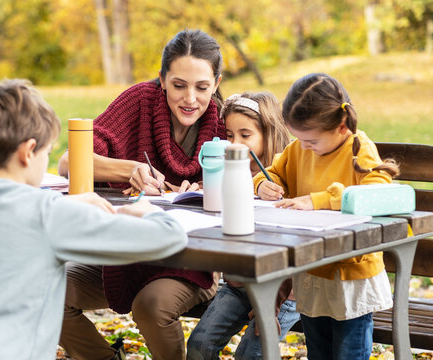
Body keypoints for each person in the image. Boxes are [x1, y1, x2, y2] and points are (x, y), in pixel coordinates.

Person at [0, 79, 189, 360]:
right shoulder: (47, 215)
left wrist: (63, 204)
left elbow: (6, 216)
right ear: (27, 152)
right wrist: (148, 211)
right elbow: (169, 238)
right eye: (46, 153)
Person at [58, 29, 225, 360]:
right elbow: (69, 162)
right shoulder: (139, 101)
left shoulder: (222, 122)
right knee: (46, 286)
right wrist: (128, 169)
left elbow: (253, 179)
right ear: (162, 79)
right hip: (124, 254)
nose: (190, 98)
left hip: (194, 262)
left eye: (202, 87)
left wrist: (207, 190)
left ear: (216, 84)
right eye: (179, 85)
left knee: (151, 306)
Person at [254, 73, 399, 360]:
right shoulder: (299, 148)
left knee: (348, 353)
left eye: (311, 140)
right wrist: (263, 185)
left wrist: (317, 200)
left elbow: (378, 194)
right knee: (317, 352)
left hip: (350, 274)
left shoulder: (359, 148)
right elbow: (268, 172)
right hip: (312, 272)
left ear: (341, 127)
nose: (303, 147)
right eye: (299, 139)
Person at [187, 92, 298, 360]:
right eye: (228, 135)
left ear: (269, 134)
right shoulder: (228, 173)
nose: (233, 143)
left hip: (283, 293)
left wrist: (269, 308)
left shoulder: (284, 178)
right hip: (238, 286)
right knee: (198, 346)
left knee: (250, 355)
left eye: (245, 135)